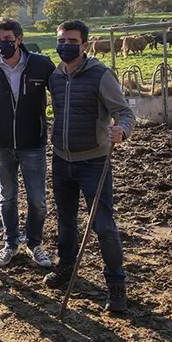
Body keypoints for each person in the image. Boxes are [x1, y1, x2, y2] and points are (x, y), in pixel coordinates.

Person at [44, 19, 135, 313]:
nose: (66, 46)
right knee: (66, 221)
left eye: (72, 41)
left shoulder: (100, 74)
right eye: (62, 40)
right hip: (61, 159)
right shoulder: (55, 76)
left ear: (85, 44)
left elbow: (124, 112)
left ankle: (116, 284)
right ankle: (66, 267)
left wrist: (122, 130)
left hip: (94, 161)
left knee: (103, 224)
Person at [0, 17, 55, 268]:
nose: (3, 44)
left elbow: (61, 94)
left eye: (8, 39)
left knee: (37, 198)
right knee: (7, 196)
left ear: (19, 39)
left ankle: (35, 243)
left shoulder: (41, 65)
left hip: (32, 143)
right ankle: (10, 242)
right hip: (1, 144)